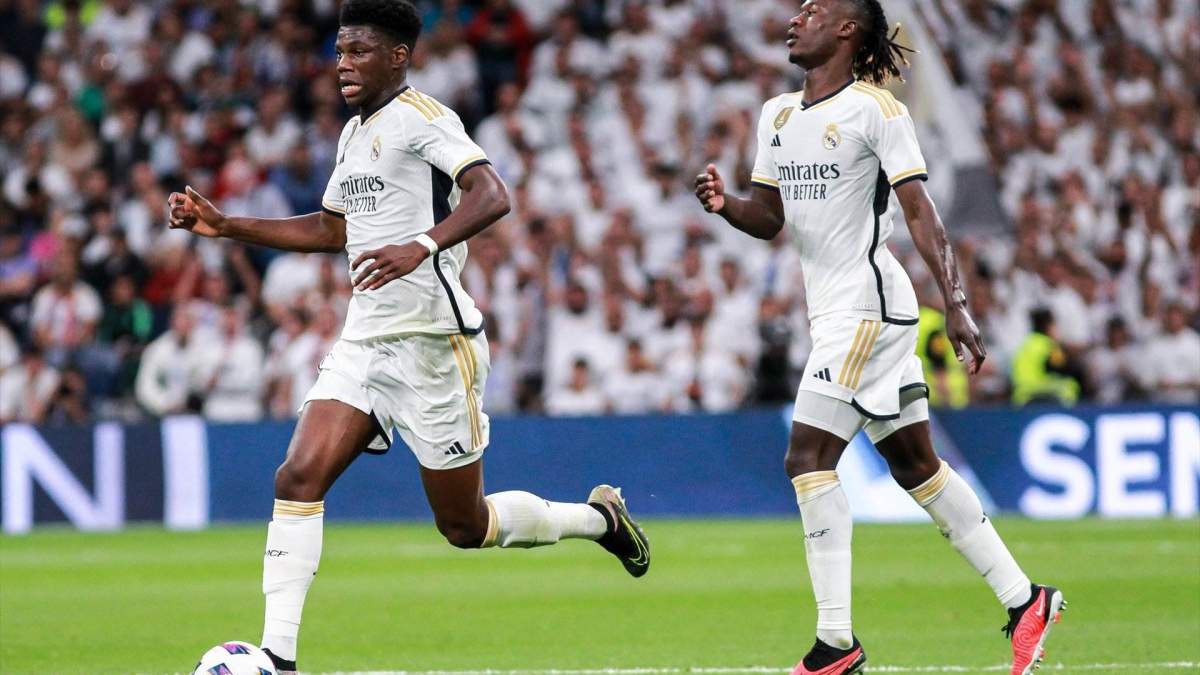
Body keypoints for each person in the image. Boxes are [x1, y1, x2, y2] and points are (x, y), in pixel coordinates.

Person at [166, 2, 649, 672]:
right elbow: (330, 230)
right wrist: (227, 227)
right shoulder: (353, 134)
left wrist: (421, 245)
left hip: (433, 343)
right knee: (298, 475)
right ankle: (278, 656)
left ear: (398, 55)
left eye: (359, 51)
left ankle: (600, 520)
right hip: (367, 339)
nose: (343, 65)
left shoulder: (425, 119)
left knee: (465, 525)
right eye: (339, 51)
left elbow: (492, 193)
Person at [693, 2, 1062, 674]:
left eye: (813, 10)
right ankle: (1025, 599)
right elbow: (770, 217)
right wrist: (726, 207)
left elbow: (919, 209)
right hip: (835, 311)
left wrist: (956, 303)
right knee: (916, 466)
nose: (795, 17)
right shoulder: (776, 115)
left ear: (846, 30)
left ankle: (835, 643)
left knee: (806, 456)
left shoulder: (876, 110)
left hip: (868, 307)